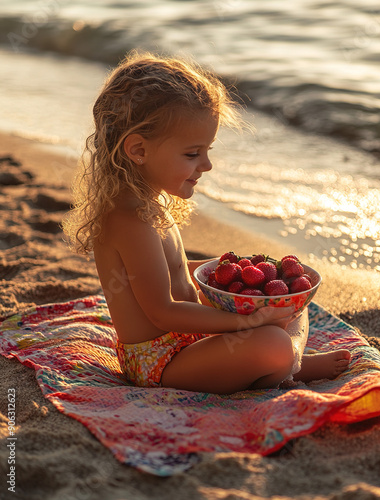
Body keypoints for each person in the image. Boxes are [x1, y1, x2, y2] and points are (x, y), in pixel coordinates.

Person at [63, 52, 351, 394]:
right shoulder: (127, 219)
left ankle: (288, 358)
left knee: (291, 301)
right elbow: (163, 311)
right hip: (163, 363)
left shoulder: (149, 202)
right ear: (138, 149)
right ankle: (291, 362)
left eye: (207, 150)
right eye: (192, 153)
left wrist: (230, 270)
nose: (207, 164)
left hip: (193, 341)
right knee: (271, 340)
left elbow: (175, 270)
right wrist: (250, 321)